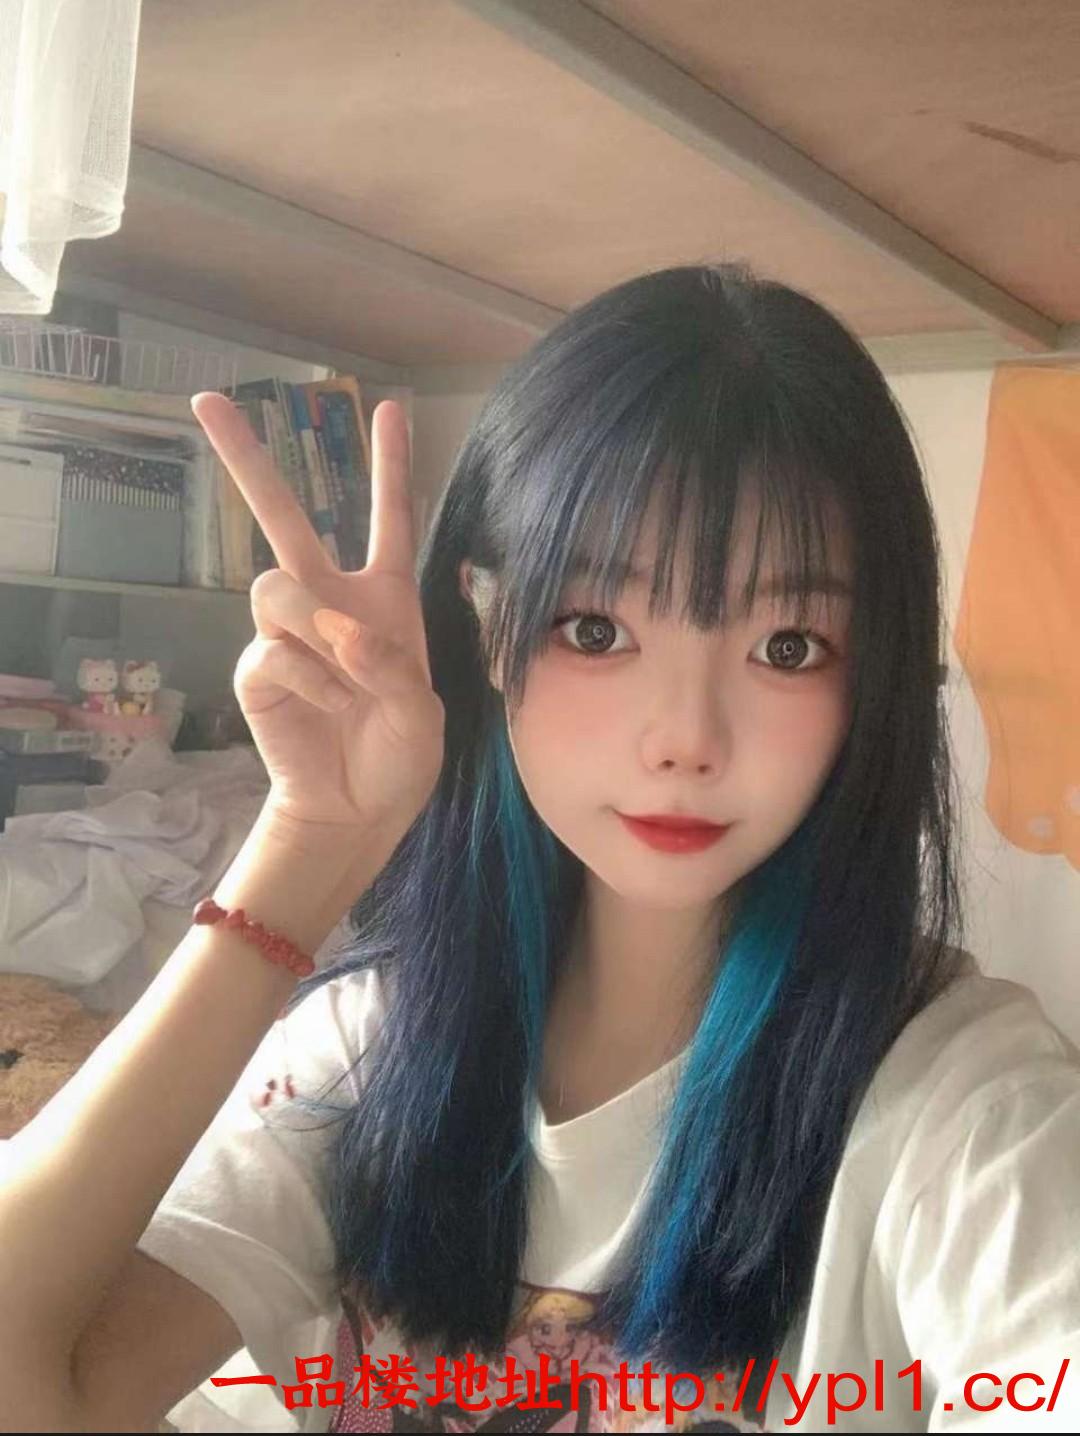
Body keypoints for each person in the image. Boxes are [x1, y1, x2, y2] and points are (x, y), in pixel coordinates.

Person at [0, 263, 1077, 1435]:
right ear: (488, 627)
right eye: (597, 628)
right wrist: (309, 847)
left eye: (787, 645)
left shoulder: (967, 1101)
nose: (687, 738)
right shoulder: (370, 1050)